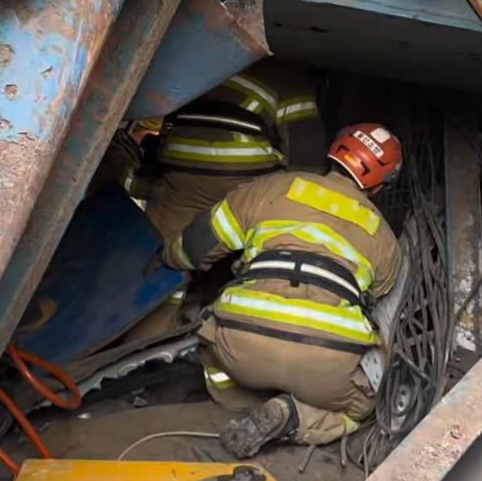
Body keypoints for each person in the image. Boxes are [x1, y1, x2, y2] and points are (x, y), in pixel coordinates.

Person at [160, 123, 403, 457]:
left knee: (209, 342)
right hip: (326, 362)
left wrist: (167, 256)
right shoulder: (385, 238)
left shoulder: (273, 188)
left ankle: (239, 397)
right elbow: (374, 302)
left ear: (333, 151)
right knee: (362, 405)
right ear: (380, 186)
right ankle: (294, 417)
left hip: (242, 343)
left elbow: (200, 243)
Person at [120, 61, 329, 340]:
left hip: (181, 173)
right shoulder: (292, 76)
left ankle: (139, 342)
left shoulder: (209, 60)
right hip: (241, 179)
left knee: (165, 262)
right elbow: (306, 158)